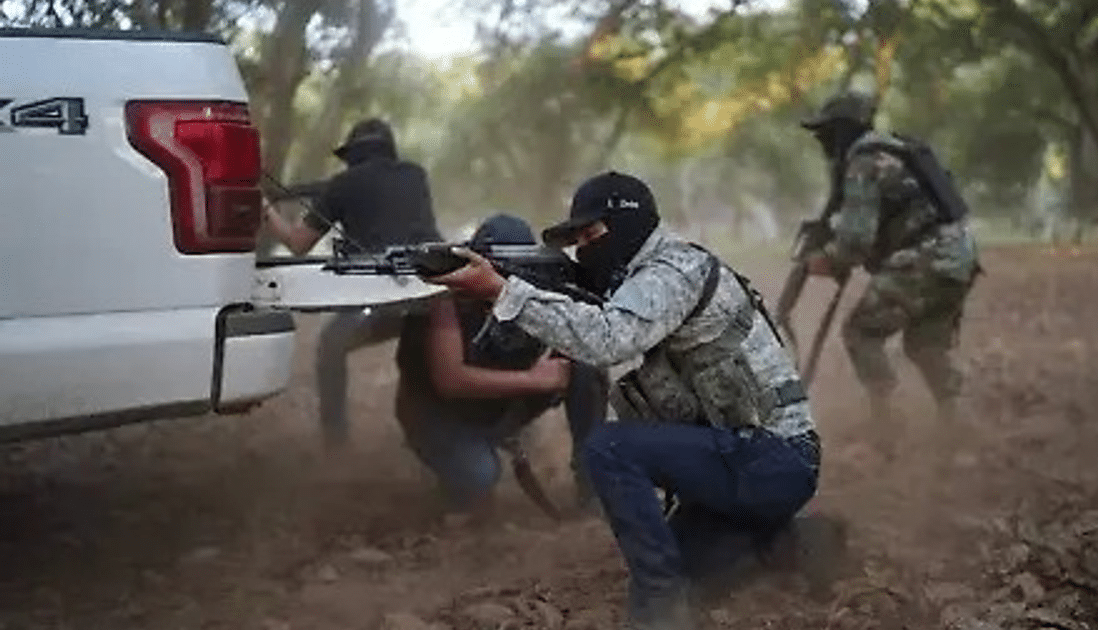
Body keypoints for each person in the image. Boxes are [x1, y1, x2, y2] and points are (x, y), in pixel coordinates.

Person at [423, 171, 840, 630]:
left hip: (772, 458)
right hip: (742, 458)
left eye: (592, 236)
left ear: (628, 223)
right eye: (577, 241)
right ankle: (792, 541)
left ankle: (658, 609)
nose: (585, 250)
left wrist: (503, 291)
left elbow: (608, 340)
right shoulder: (645, 273)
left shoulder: (672, 271)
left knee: (611, 448)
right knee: (693, 568)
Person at [394, 213, 608, 518]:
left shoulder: (533, 291)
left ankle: (592, 485)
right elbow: (450, 380)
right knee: (480, 476)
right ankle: (452, 471)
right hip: (438, 415)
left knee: (586, 367)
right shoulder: (444, 298)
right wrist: (535, 380)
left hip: (497, 405)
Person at [799, 91, 980, 440]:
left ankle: (887, 422)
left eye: (826, 134)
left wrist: (826, 259)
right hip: (960, 256)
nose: (822, 143)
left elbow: (856, 240)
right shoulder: (894, 149)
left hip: (926, 256)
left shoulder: (864, 160)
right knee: (925, 341)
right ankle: (955, 420)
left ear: (842, 131)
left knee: (861, 332)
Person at [261, 118, 443, 452]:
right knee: (427, 357)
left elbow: (298, 243)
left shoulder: (342, 185)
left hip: (380, 297)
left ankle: (335, 441)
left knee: (330, 348)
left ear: (353, 155)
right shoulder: (415, 175)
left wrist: (265, 210)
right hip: (431, 295)